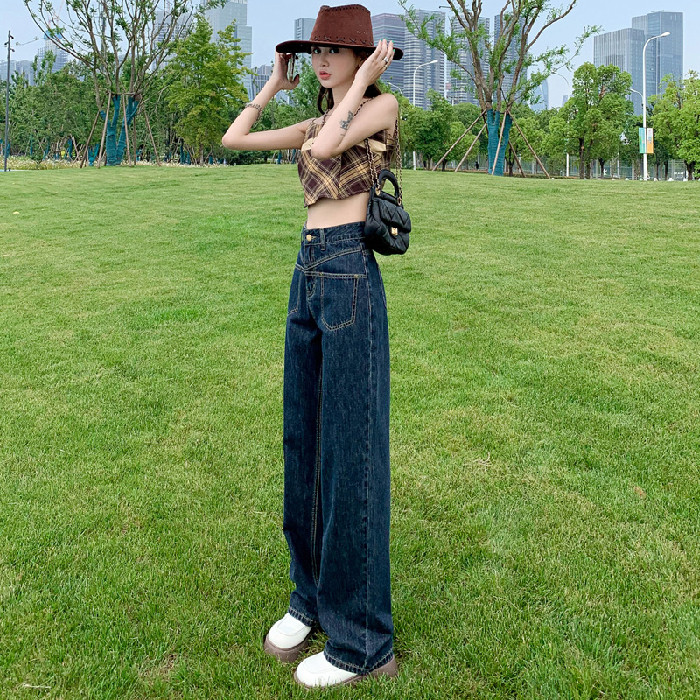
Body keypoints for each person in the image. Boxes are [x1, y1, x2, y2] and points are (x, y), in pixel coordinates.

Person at [221, 3, 402, 690]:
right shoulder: (318, 118)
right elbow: (236, 138)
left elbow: (328, 148)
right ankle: (311, 599)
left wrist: (365, 81)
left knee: (350, 453)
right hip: (308, 275)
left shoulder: (378, 108)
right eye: (315, 51)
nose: (322, 60)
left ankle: (364, 641)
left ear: (362, 58)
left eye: (336, 51)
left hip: (350, 272)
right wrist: (274, 83)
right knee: (303, 441)